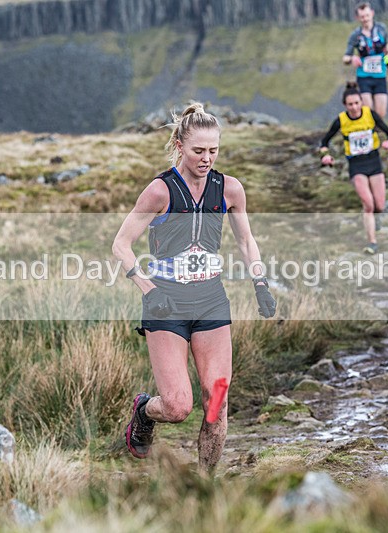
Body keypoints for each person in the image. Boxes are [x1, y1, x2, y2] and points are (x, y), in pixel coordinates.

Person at [112, 102, 276, 472]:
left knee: (216, 402)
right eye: (198, 151)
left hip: (211, 303)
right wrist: (148, 288)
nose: (206, 158)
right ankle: (144, 411)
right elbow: (121, 244)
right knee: (177, 406)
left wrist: (260, 282)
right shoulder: (160, 191)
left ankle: (205, 488)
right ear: (181, 146)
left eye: (213, 151)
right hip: (166, 304)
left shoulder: (230, 189)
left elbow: (247, 241)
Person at [319, 82, 388, 254]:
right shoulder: (341, 120)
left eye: (356, 103)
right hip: (356, 165)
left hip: (374, 162)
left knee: (380, 205)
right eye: (350, 104)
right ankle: (372, 243)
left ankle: (376, 221)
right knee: (368, 205)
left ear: (361, 102)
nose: (354, 107)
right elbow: (324, 142)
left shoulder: (370, 115)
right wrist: (324, 155)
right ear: (345, 105)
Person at [342, 2, 388, 119]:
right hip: (364, 76)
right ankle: (369, 134)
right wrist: (352, 59)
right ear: (357, 18)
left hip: (380, 75)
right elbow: (345, 58)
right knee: (367, 112)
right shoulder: (355, 35)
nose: (365, 19)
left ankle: (376, 134)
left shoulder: (381, 29)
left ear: (372, 13)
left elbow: (387, 46)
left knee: (380, 114)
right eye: (362, 17)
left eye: (367, 15)